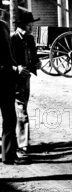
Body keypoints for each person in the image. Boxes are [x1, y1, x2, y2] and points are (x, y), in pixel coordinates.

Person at [10, 11, 41, 157]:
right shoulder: (11, 38)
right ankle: (22, 146)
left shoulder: (29, 39)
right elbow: (4, 60)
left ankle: (19, 140)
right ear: (22, 25)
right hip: (12, 80)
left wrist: (37, 63)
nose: (31, 27)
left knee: (22, 110)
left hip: (26, 80)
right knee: (21, 111)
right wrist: (16, 68)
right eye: (30, 25)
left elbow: (33, 56)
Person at [1, 16, 30, 165]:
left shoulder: (4, 26)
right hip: (5, 73)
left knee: (10, 118)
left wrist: (15, 67)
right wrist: (13, 68)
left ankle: (8, 155)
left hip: (6, 80)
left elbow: (9, 54)